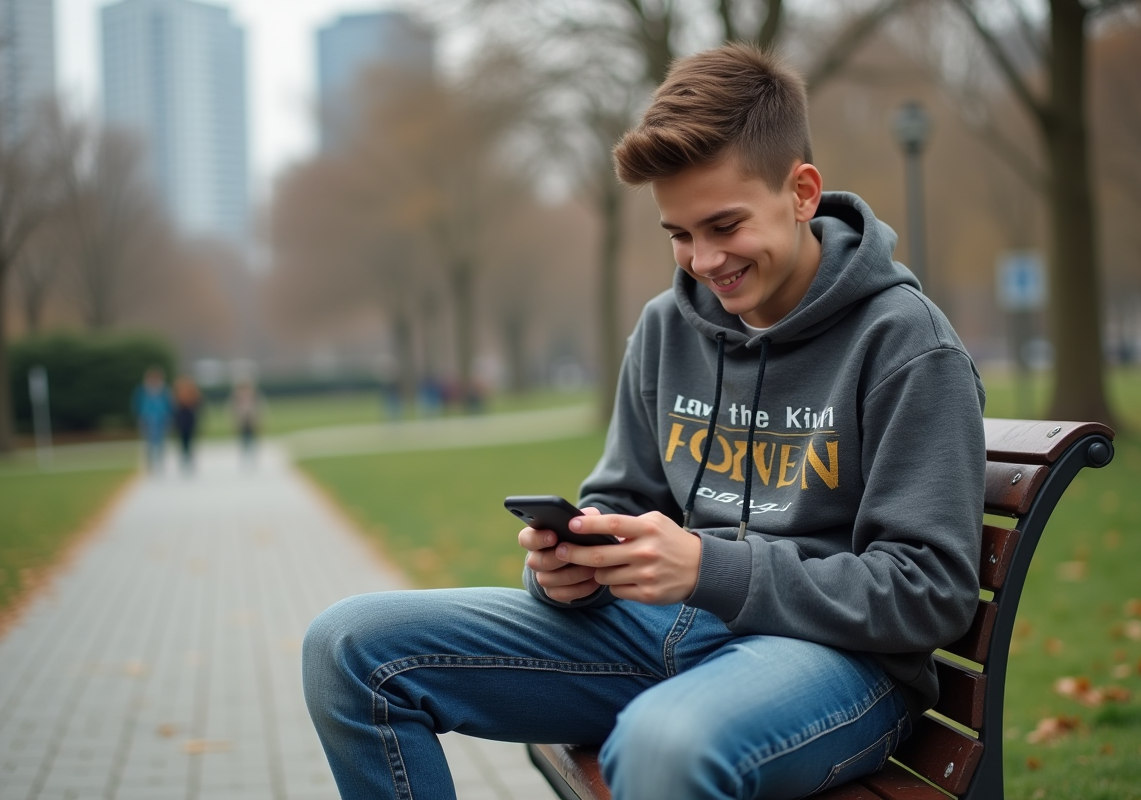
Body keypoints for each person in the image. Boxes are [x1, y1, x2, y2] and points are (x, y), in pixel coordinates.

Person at [302, 44, 986, 800]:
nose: (702, 259)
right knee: (348, 648)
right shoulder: (668, 328)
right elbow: (621, 503)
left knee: (663, 747)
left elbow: (932, 591)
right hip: (660, 634)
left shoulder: (904, 342)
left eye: (724, 225)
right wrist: (569, 570)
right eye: (679, 233)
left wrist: (711, 569)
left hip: (837, 664)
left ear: (802, 192)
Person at [131, 366, 173, 473]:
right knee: (148, 442)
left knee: (161, 442)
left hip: (161, 418)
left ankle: (160, 461)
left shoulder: (164, 389)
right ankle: (150, 463)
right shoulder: (142, 389)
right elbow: (137, 404)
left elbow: (169, 404)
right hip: (146, 418)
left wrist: (169, 417)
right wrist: (139, 416)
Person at [172, 374, 204, 472]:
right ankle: (184, 457)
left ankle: (188, 458)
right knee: (183, 441)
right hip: (182, 420)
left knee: (189, 441)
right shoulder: (178, 394)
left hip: (189, 419)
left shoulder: (193, 393)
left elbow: (199, 405)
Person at [231, 380, 261, 464]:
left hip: (251, 420)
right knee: (243, 439)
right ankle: (244, 457)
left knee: (252, 439)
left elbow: (259, 408)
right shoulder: (237, 396)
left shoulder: (254, 395)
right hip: (242, 420)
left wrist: (258, 420)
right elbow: (233, 409)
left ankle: (252, 457)